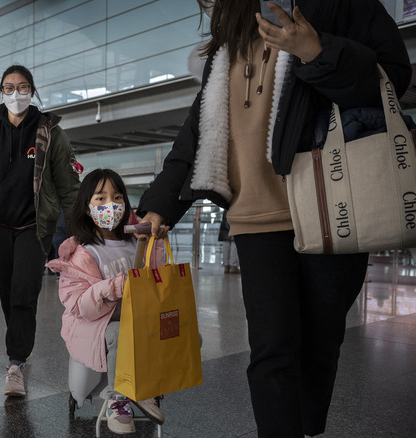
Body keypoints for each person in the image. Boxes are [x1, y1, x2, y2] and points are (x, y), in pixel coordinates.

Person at [135, 1, 411, 436]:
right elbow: (199, 127)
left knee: (320, 346)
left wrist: (317, 52)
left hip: (329, 203)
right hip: (255, 215)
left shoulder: (339, 5)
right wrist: (162, 203)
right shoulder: (236, 26)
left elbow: (393, 76)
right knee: (271, 350)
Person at [0, 64, 80, 397]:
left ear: (33, 91)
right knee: (6, 295)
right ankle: (17, 351)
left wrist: (77, 229)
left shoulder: (49, 132)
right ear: (1, 92)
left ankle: (15, 364)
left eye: (24, 87)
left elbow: (68, 183)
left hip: (33, 227)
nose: (17, 93)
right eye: (10, 87)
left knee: (24, 295)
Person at [46, 169, 166, 435]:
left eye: (117, 197)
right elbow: (78, 305)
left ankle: (147, 389)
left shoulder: (134, 243)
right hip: (94, 325)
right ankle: (119, 399)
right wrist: (114, 287)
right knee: (118, 331)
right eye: (100, 198)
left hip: (135, 319)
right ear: (87, 207)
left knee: (171, 329)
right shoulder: (83, 252)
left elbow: (155, 281)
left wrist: (155, 244)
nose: (111, 204)